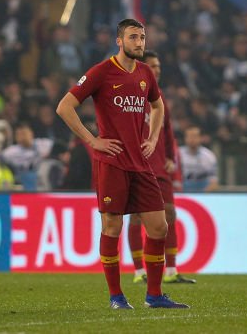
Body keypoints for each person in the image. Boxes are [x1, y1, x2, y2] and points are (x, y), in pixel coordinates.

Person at [56, 18, 188, 310]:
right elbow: (64, 106)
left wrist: (153, 138)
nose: (139, 43)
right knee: (112, 228)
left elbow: (158, 105)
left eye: (142, 38)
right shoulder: (101, 73)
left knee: (159, 227)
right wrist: (92, 140)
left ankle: (154, 296)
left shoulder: (145, 73)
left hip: (141, 164)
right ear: (119, 41)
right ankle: (116, 297)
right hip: (111, 163)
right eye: (133, 37)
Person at [127, 50, 196, 285]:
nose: (157, 70)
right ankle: (139, 271)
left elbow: (167, 130)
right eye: (152, 66)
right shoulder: (129, 94)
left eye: (158, 66)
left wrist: (169, 156)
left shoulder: (159, 97)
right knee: (136, 218)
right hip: (137, 165)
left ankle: (171, 271)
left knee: (169, 214)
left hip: (159, 166)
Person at [180, 126, 218, 192]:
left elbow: (214, 183)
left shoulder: (209, 156)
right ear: (185, 138)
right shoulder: (177, 154)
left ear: (200, 138)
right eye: (189, 136)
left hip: (203, 192)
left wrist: (202, 196)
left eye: (195, 136)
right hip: (182, 191)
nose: (192, 139)